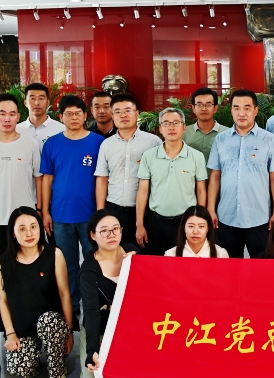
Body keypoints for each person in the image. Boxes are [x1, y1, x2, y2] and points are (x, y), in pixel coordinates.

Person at [40, 95, 104, 320]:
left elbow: (102, 179)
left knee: (92, 261)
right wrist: (45, 211)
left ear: (85, 116)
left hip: (90, 215)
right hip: (60, 215)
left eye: (78, 113)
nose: (74, 117)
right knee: (67, 265)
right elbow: (47, 179)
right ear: (61, 117)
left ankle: (93, 308)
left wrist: (100, 214)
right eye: (69, 114)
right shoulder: (52, 144)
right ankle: (72, 309)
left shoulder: (98, 143)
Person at [0, 206, 74, 378]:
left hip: (50, 323)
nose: (29, 233)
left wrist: (69, 331)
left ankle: (57, 370)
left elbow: (64, 294)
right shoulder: (4, 261)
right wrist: (10, 334)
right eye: (22, 229)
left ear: (40, 228)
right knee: (21, 369)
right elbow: (3, 300)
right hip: (23, 326)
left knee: (48, 322)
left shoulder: (54, 254)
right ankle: (36, 352)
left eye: (33, 227)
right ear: (13, 233)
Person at [207, 89, 274, 258]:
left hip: (259, 216)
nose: (241, 113)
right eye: (236, 108)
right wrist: (211, 209)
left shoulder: (269, 139)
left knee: (262, 265)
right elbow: (215, 176)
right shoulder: (221, 139)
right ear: (231, 111)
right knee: (229, 265)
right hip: (226, 216)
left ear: (255, 110)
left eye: (247, 108)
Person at [0, 93, 42, 258]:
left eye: (12, 114)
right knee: (3, 264)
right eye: (2, 113)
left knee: (29, 262)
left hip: (26, 218)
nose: (7, 119)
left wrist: (40, 210)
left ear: (18, 117)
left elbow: (39, 179)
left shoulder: (31, 145)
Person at [80, 209, 138, 378]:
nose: (111, 235)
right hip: (102, 326)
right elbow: (91, 312)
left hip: (130, 326)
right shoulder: (88, 270)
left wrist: (139, 264)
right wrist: (92, 350)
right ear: (93, 235)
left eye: (115, 229)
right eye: (104, 231)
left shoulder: (133, 253)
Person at [136, 108, 207, 255]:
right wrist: (140, 224)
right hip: (156, 222)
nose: (171, 127)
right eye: (166, 123)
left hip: (186, 222)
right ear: (160, 129)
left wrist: (199, 222)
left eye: (176, 123)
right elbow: (143, 191)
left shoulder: (197, 156)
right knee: (156, 264)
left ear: (184, 127)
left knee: (183, 264)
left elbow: (201, 190)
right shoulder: (149, 156)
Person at [95, 93, 161, 247]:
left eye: (128, 110)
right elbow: (102, 179)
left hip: (146, 211)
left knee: (144, 254)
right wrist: (101, 213)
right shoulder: (106, 145)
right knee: (117, 253)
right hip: (114, 209)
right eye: (117, 111)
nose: (123, 115)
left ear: (137, 113)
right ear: (112, 116)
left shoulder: (154, 142)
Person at [183, 87, 228, 167]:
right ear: (193, 108)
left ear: (215, 108)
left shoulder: (227, 133)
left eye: (208, 105)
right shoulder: (183, 132)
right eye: (199, 105)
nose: (204, 109)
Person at [16, 83, 65, 155]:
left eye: (41, 98)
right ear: (25, 103)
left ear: (48, 102)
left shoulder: (61, 130)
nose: (37, 103)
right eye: (32, 98)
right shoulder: (16, 130)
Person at [165, 205, 229, 257]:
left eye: (201, 226)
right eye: (191, 226)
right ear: (183, 228)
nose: (195, 232)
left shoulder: (220, 254)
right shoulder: (170, 255)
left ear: (208, 228)